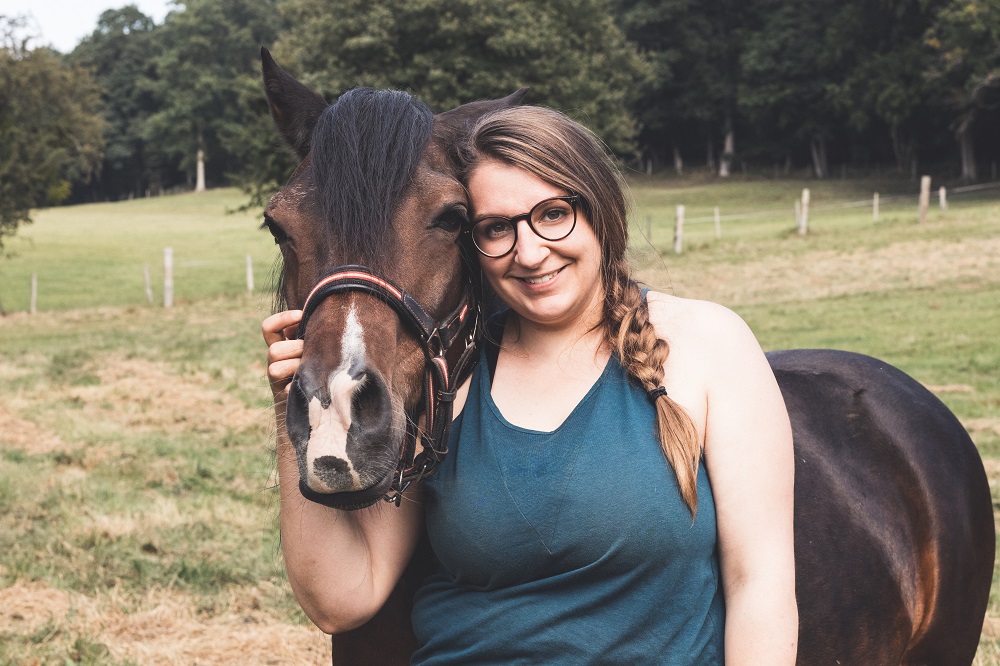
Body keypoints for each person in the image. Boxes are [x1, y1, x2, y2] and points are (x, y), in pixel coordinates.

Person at [263, 105, 797, 664]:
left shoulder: (707, 344)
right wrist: (294, 416)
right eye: (497, 228)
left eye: (552, 214)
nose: (530, 252)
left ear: (600, 213)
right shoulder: (448, 381)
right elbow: (341, 599)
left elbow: (758, 583)